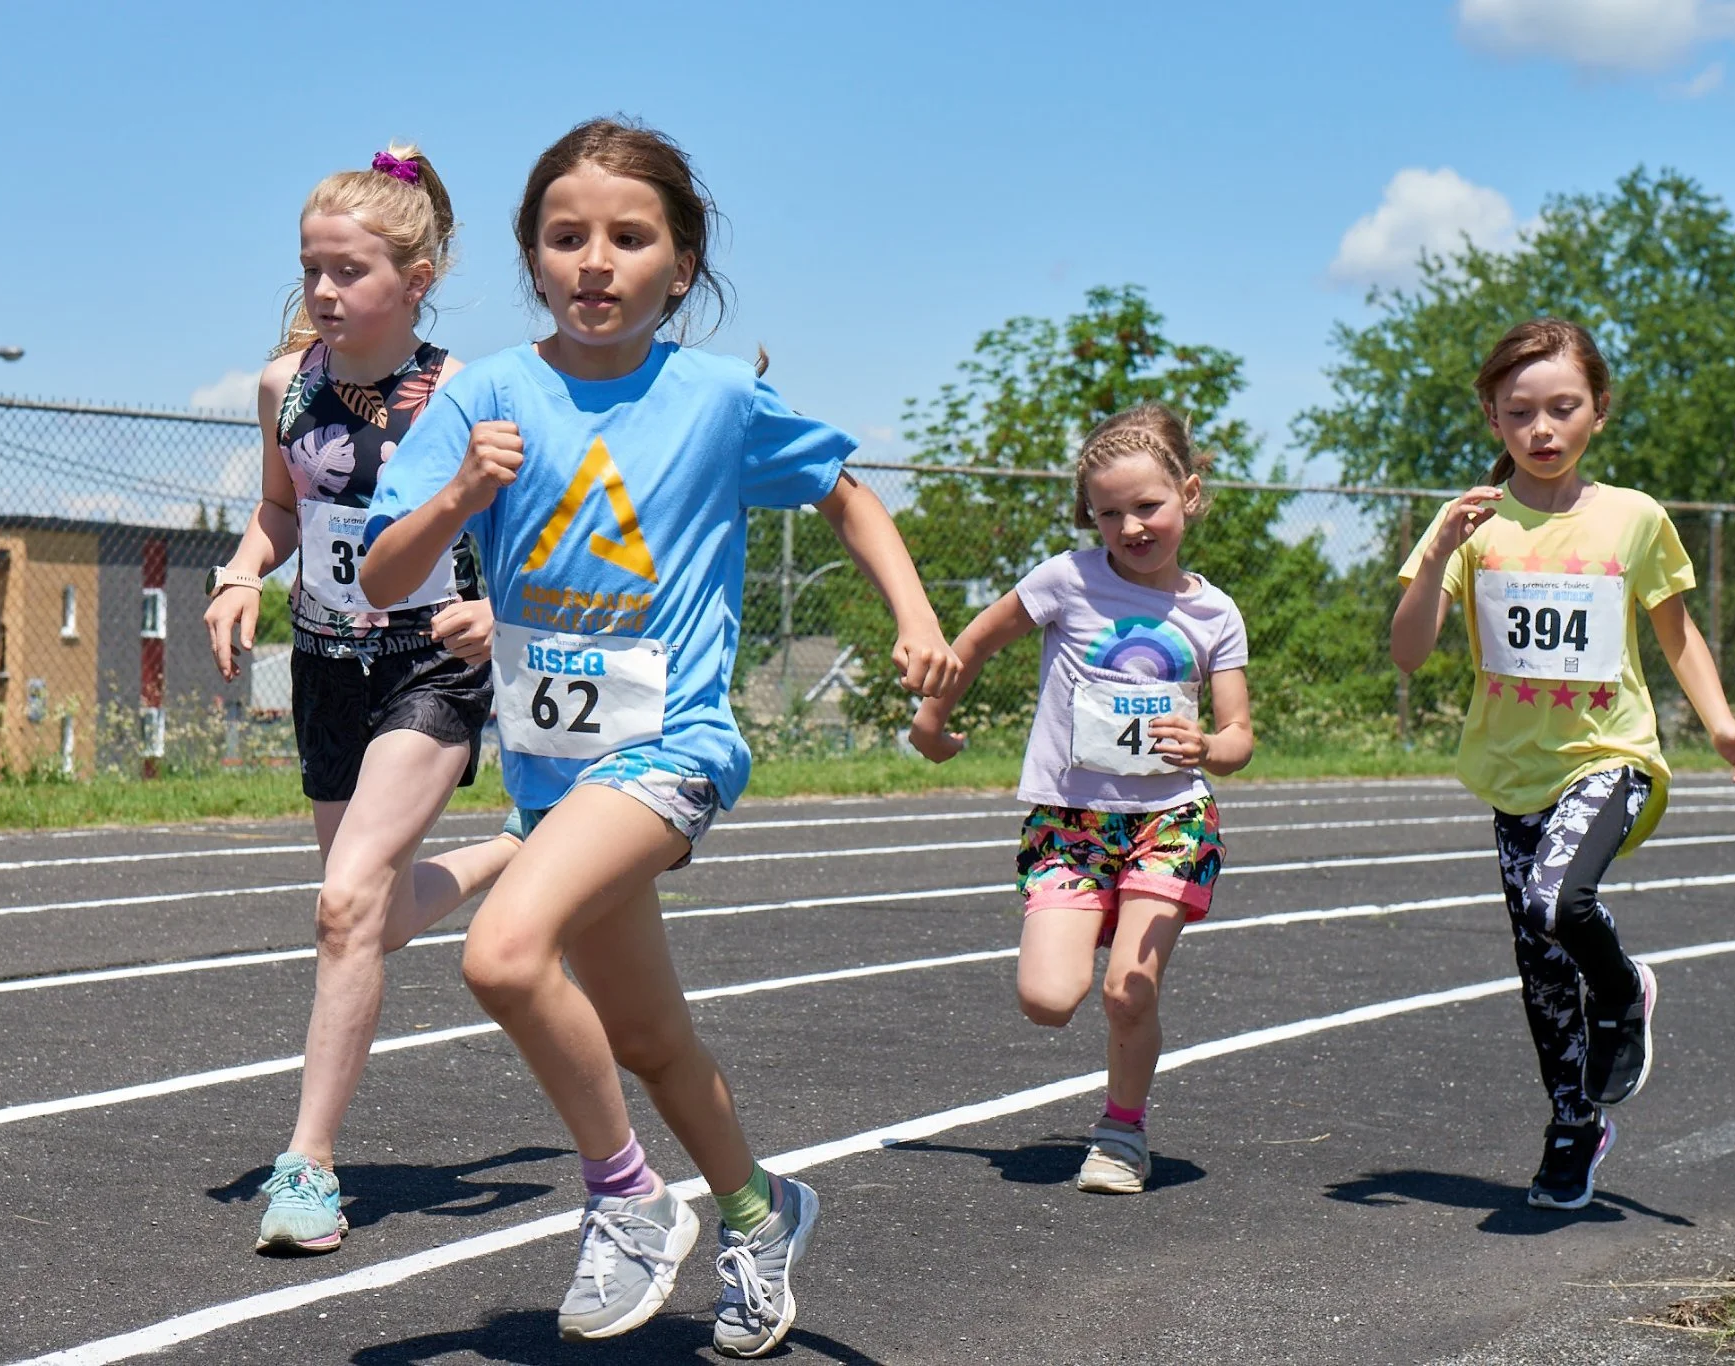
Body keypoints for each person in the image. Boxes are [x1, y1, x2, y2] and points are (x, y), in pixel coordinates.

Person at [360, 117, 959, 1356]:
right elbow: (380, 576)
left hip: (671, 744)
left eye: (628, 238)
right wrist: (465, 495)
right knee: (646, 1035)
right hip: (551, 765)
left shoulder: (714, 398)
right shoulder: (481, 393)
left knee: (502, 953)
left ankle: (627, 1197)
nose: (595, 261)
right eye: (565, 236)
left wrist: (914, 613)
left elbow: (846, 491)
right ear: (530, 256)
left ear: (679, 265)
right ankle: (759, 1209)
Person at [202, 144, 516, 1255]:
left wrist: (505, 617)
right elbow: (280, 512)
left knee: (341, 908)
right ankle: (512, 855)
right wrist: (244, 573)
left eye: (348, 272)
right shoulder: (279, 385)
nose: (324, 293)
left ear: (416, 276)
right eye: (310, 270)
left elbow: (522, 526)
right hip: (326, 669)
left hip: (430, 662)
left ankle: (310, 1165)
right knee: (364, 917)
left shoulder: (469, 389)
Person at [1390, 317, 1735, 1210]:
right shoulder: (1474, 525)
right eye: (1521, 412)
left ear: (1599, 410)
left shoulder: (1633, 517)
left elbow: (1677, 635)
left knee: (1558, 900)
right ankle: (1574, 1124)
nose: (1543, 429)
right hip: (1512, 772)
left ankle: (1626, 986)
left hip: (1612, 755)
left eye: (1564, 408)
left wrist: (1717, 723)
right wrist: (1440, 549)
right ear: (1493, 418)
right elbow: (1409, 653)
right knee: (1541, 973)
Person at [910, 403, 1253, 1195]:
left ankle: (1121, 1135)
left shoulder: (1214, 614)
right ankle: (1095, 910)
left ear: (1189, 495)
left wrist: (1207, 747)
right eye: (1108, 512)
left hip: (1170, 822)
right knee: (1047, 999)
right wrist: (931, 723)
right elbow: (975, 643)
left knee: (1128, 990)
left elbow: (1238, 735)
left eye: (1147, 507)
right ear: (1088, 516)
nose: (1130, 526)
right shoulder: (1067, 579)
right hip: (1070, 824)